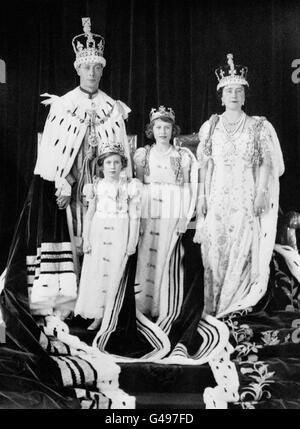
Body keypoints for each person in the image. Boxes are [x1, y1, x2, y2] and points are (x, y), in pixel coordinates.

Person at [26, 17, 132, 318]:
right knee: (73, 237)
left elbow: (119, 156)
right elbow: (50, 155)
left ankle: (98, 303)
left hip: (102, 188)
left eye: (98, 67)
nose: (93, 73)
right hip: (70, 187)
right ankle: (68, 303)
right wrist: (62, 180)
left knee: (100, 240)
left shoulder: (112, 108)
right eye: (87, 67)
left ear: (103, 69)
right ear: (78, 69)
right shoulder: (63, 106)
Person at [194, 53, 285, 318]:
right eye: (229, 91)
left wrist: (260, 194)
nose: (234, 95)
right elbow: (205, 166)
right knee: (216, 249)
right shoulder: (210, 127)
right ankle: (213, 309)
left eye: (238, 91)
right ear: (221, 96)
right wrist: (201, 199)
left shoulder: (258, 126)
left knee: (242, 248)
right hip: (218, 196)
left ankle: (233, 306)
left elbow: (268, 165)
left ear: (245, 96)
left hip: (246, 196)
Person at [133, 106, 198, 332]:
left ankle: (165, 307)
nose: (162, 132)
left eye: (167, 128)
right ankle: (142, 307)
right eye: (158, 127)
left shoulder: (182, 156)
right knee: (145, 257)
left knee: (168, 257)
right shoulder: (144, 154)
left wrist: (185, 218)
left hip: (172, 209)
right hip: (149, 210)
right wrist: (137, 217)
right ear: (152, 130)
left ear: (173, 130)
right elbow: (138, 186)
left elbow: (189, 189)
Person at [74, 142, 141, 330]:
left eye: (117, 163)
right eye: (109, 163)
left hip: (120, 232)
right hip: (99, 232)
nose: (112, 167)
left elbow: (135, 217)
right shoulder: (95, 186)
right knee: (97, 272)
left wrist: (132, 243)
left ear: (123, 165)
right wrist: (86, 239)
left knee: (115, 273)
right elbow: (89, 215)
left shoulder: (130, 186)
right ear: (102, 165)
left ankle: (113, 314)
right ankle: (99, 314)